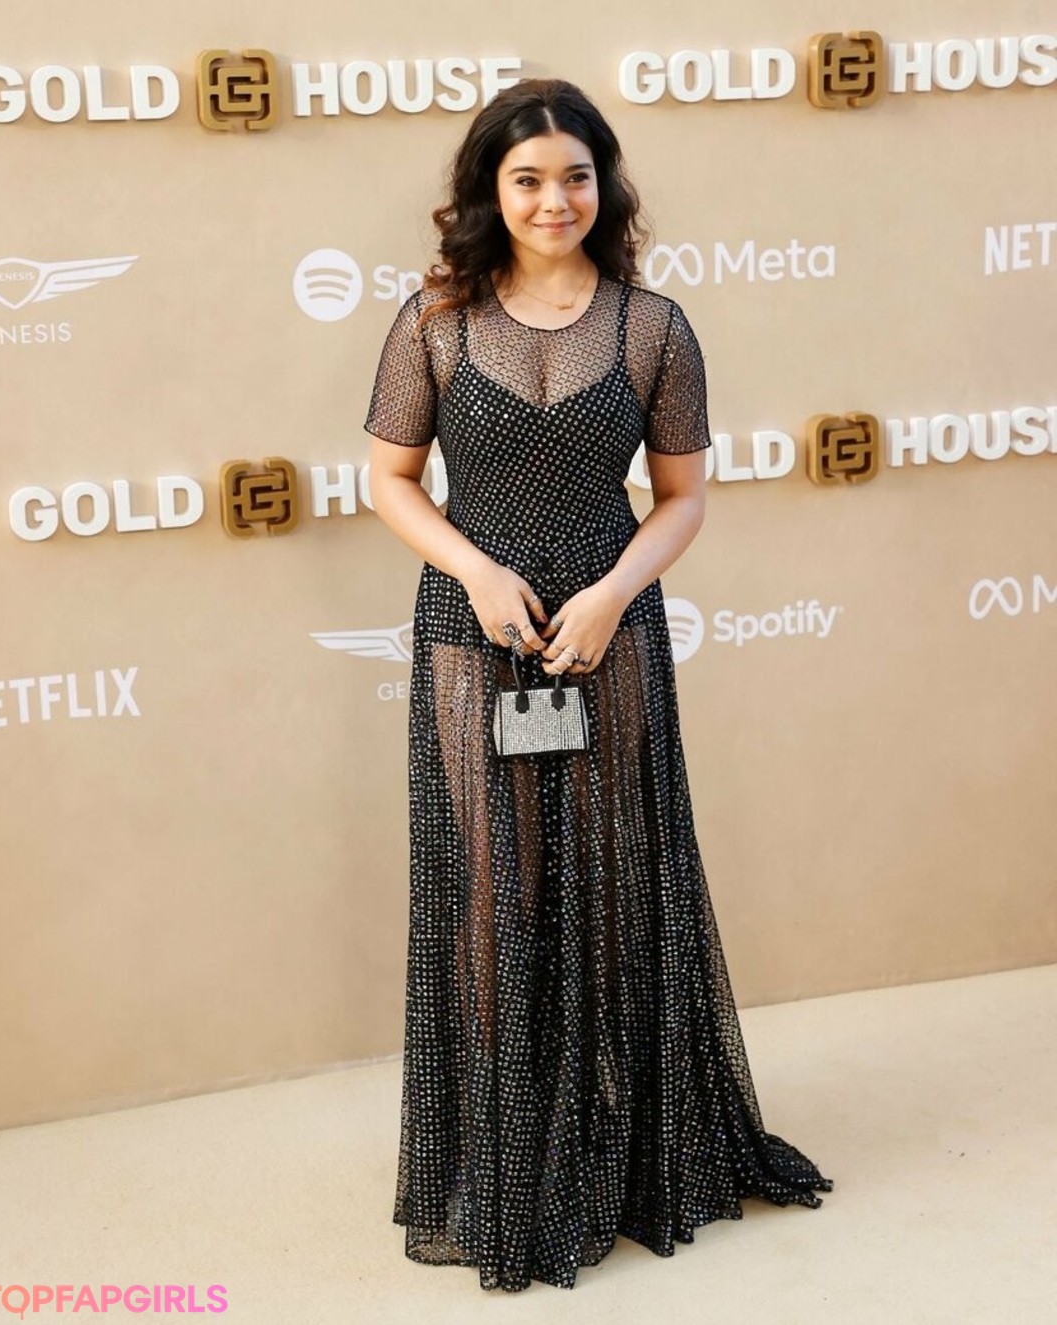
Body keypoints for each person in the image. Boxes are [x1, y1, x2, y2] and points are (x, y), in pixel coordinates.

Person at [363, 77, 833, 1294]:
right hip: (471, 631)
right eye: (527, 178)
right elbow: (390, 479)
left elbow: (681, 499)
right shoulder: (434, 321)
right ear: (491, 190)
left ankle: (623, 1156)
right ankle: (508, 1162)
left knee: (617, 881)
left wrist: (615, 591)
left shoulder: (653, 327)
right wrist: (475, 571)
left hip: (607, 628)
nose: (553, 199)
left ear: (602, 186)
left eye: (575, 176)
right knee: (490, 890)